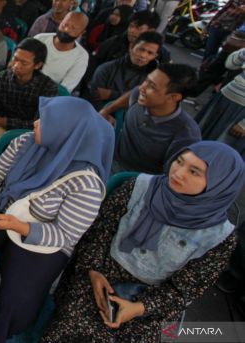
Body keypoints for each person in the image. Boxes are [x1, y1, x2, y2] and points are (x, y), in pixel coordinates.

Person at [0, 96, 114, 343]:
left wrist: (20, 227)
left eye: (46, 121)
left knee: (20, 298)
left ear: (66, 133)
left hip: (46, 239)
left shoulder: (87, 183)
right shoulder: (26, 142)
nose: (36, 123)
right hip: (5, 211)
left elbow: (65, 234)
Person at [42, 142, 244, 343]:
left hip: (155, 299)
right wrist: (93, 271)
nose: (178, 173)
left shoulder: (220, 238)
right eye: (179, 161)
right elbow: (98, 233)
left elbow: (185, 290)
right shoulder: (139, 187)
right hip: (103, 273)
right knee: (76, 329)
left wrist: (139, 308)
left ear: (219, 184)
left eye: (194, 172)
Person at [100, 63, 201, 174]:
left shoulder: (186, 133)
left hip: (134, 181)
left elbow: (171, 175)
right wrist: (107, 111)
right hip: (108, 159)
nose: (142, 87)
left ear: (174, 97)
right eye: (146, 80)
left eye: (152, 86)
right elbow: (132, 94)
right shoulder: (140, 96)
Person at [0, 38, 58, 145]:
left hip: (27, 134)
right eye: (15, 59)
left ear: (38, 65)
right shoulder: (3, 77)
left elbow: (38, 124)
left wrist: (4, 121)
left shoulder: (48, 87)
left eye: (24, 63)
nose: (16, 65)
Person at [86, 32, 162, 108]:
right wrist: (105, 114)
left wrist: (112, 94)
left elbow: (147, 103)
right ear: (131, 47)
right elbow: (93, 98)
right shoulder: (106, 69)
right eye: (141, 49)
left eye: (150, 53)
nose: (143, 55)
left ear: (155, 56)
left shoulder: (156, 79)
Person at [196, 48, 245, 156]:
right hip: (223, 99)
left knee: (219, 153)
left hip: (240, 113)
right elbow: (230, 64)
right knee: (199, 139)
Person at [35, 12, 89, 92]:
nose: (66, 30)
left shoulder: (81, 56)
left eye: (73, 28)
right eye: (65, 25)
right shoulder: (40, 39)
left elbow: (64, 89)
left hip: (48, 95)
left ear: (81, 33)